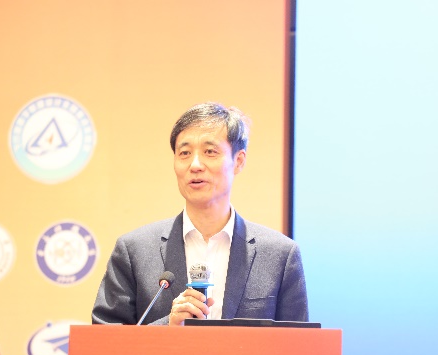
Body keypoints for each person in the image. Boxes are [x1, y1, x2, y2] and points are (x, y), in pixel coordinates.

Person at [92, 102, 308, 326]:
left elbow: (297, 344)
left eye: (210, 152)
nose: (195, 165)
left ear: (238, 161)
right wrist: (168, 326)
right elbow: (104, 339)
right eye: (184, 153)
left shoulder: (280, 255)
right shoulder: (134, 251)